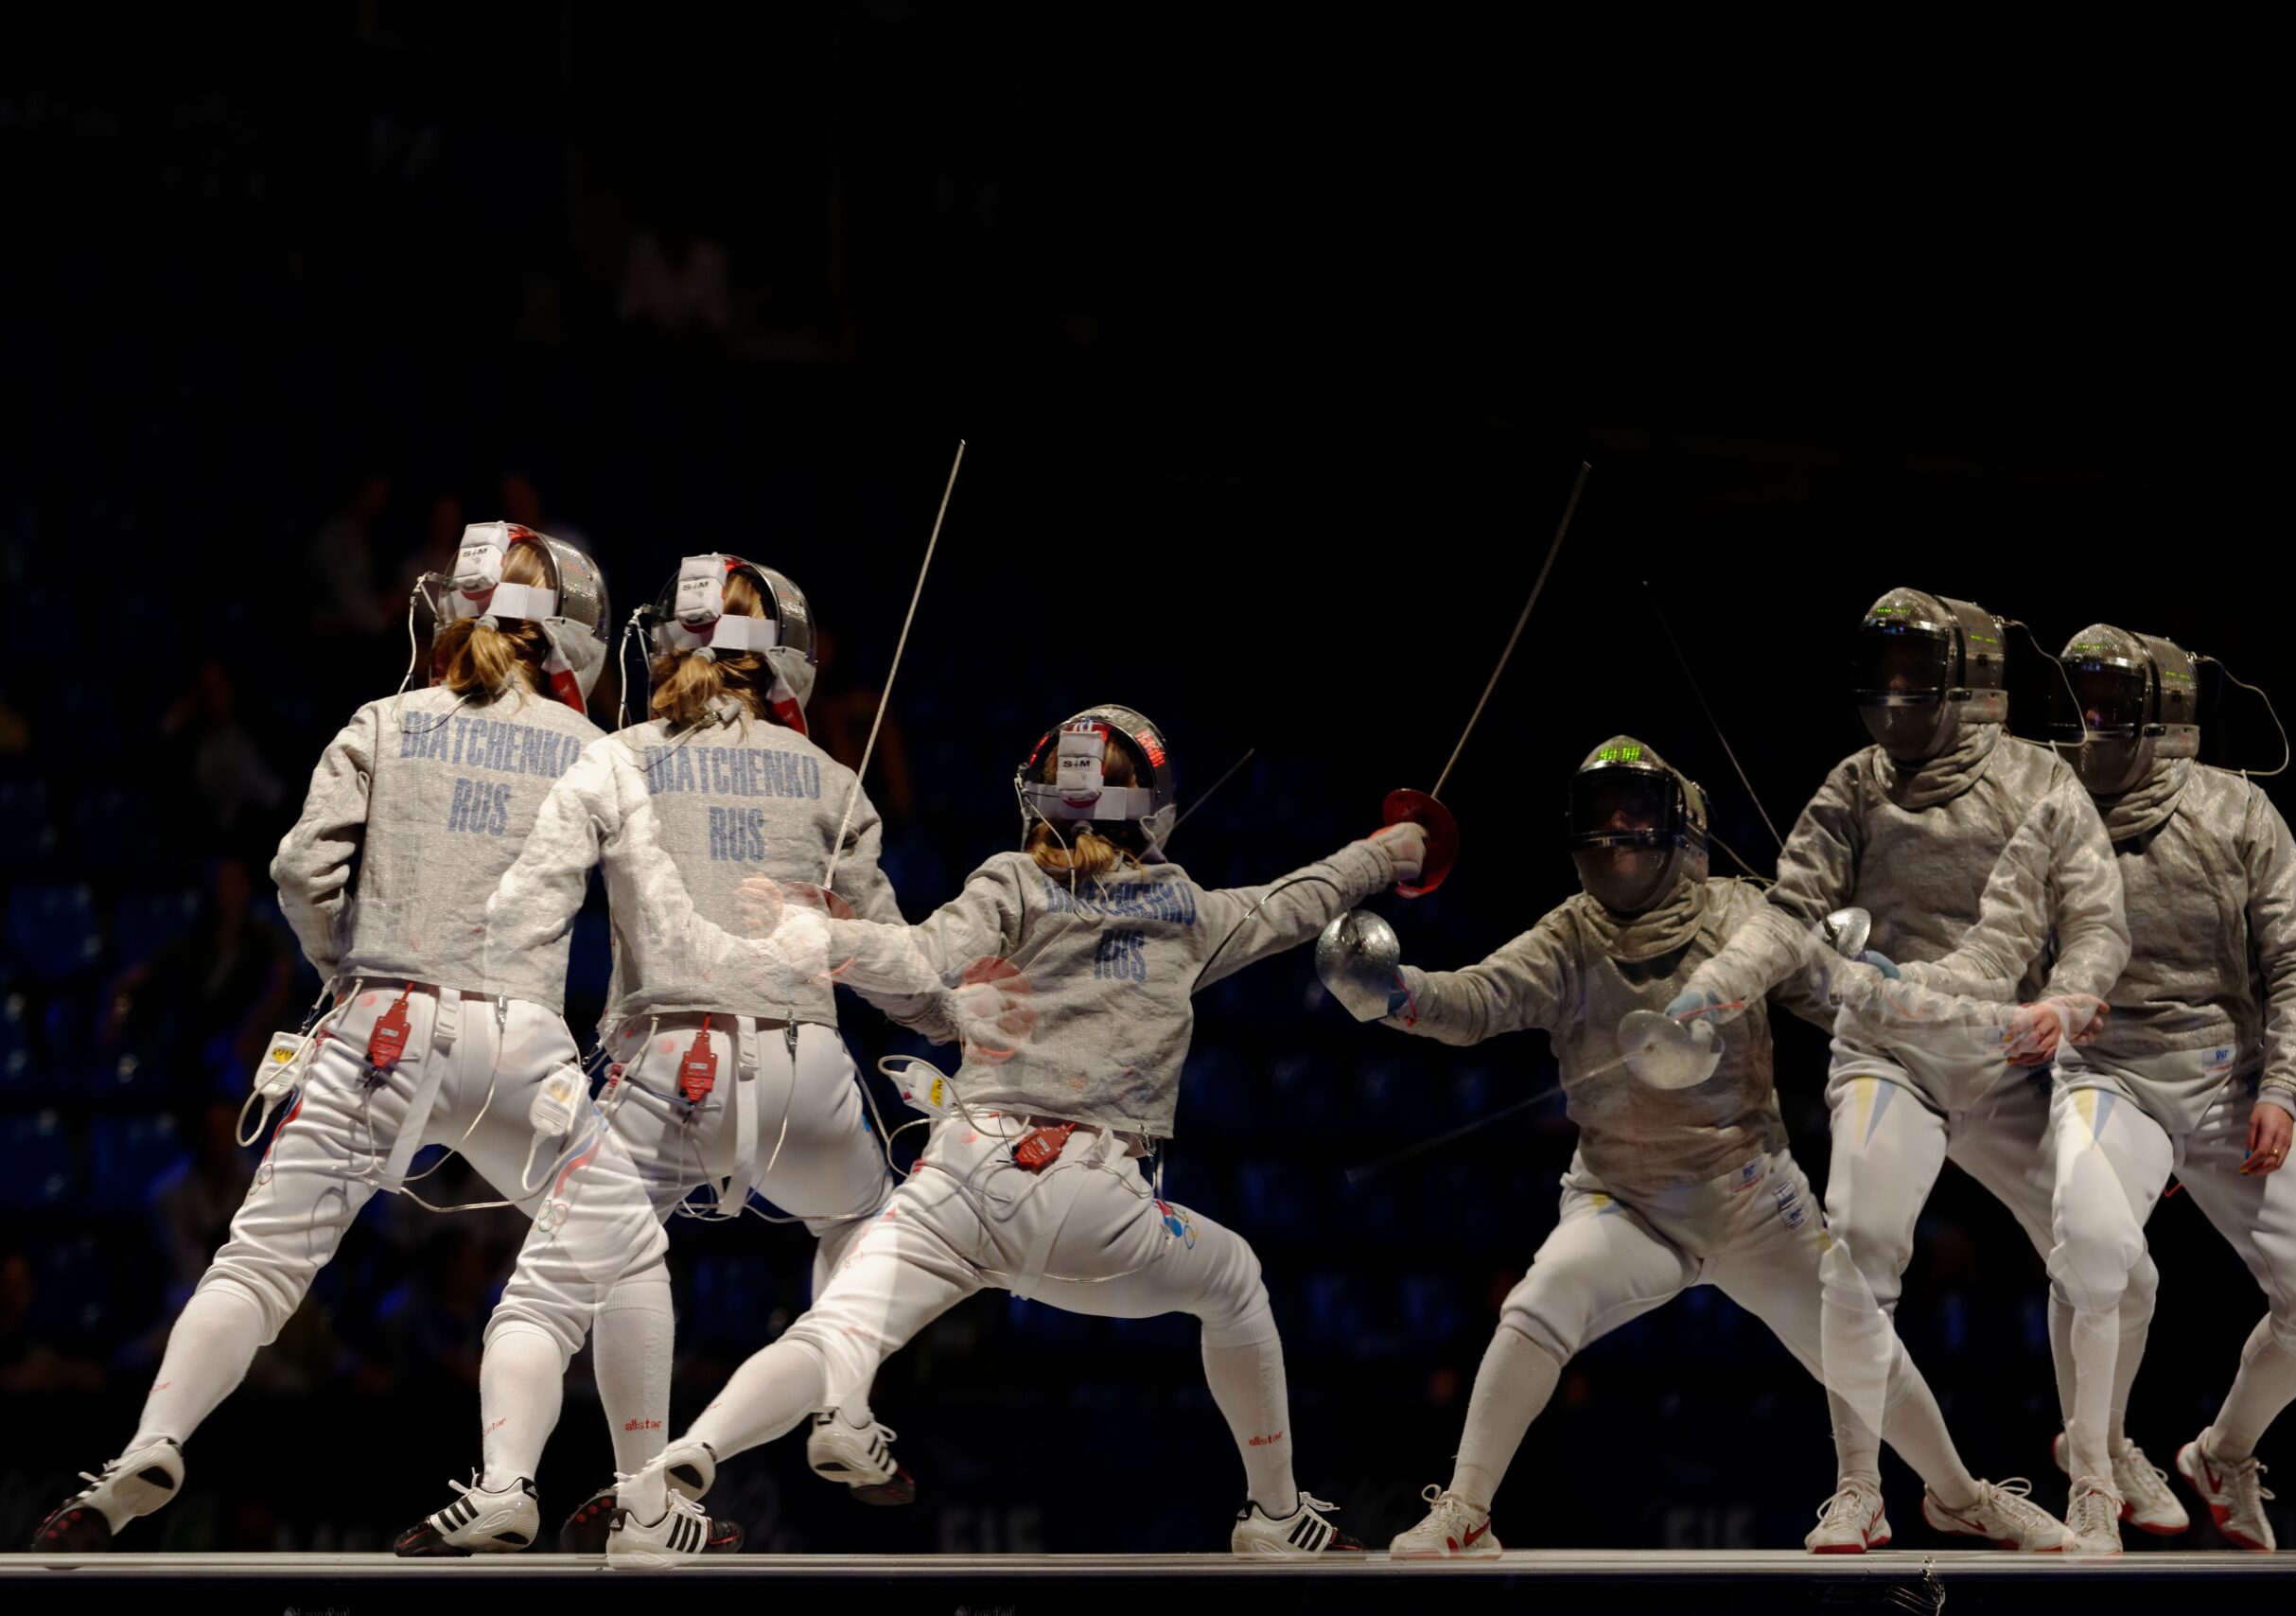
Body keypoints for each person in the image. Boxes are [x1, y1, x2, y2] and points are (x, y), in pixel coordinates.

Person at [596, 705, 1427, 1562]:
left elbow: (920, 956)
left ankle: (686, 1456)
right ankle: (1275, 1517)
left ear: (1040, 799)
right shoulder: (1186, 913)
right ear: (1152, 804)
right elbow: (1301, 902)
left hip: (956, 1176)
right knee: (1236, 1281)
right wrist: (1392, 851)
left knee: (832, 1332)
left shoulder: (1009, 881)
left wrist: (818, 937)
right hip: (1092, 1201)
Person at [29, 525, 628, 1553]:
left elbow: (299, 873)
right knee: (620, 1251)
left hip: (377, 1026)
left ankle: (151, 1445)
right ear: (571, 637)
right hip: (518, 1041)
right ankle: (552, 1484)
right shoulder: (593, 753)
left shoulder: (383, 721)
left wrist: (345, 969)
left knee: (258, 1266)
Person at [1327, 737, 2072, 1556]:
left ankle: (1959, 1496)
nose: (1614, 830)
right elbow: (1475, 1000)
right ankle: (1466, 1510)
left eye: (1634, 810)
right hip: (1625, 1201)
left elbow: (1846, 996)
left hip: (1753, 1200)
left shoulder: (1739, 918)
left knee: (1858, 1340)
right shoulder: (1570, 937)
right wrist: (1393, 997)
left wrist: (1957, 1017)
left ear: (1680, 824)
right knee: (1539, 1304)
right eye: (1598, 814)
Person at [399, 553, 949, 1557]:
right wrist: (964, 1022)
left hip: (663, 1064)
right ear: (787, 657)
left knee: (556, 1286)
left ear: (661, 644)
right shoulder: (833, 779)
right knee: (868, 1230)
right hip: (805, 1073)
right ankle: (842, 1408)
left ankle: (511, 1488)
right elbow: (893, 968)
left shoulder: (614, 757)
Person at [1665, 588, 2147, 1548]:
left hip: (2010, 1064)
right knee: (1856, 1238)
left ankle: (2095, 1473)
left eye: (1910, 676)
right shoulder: (1854, 787)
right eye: (1880, 677)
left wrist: (2062, 1001)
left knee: (2116, 1263)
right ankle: (1859, 1487)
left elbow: (2097, 920)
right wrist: (1720, 983)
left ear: (1965, 683)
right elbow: (1788, 910)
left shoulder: (2044, 787)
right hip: (1892, 1058)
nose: (1892, 697)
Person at [1910, 626, 2296, 1553]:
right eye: (2081, 710)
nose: (2091, 728)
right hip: (2108, 1081)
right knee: (2094, 1245)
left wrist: (2283, 1087)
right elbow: (1998, 940)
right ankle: (2093, 1483)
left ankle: (2223, 1452)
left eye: (2109, 707)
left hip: (2228, 1087)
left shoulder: (2236, 811)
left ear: (2163, 716)